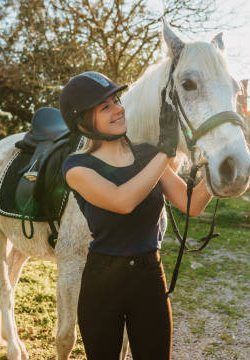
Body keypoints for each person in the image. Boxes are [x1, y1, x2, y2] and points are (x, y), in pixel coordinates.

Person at [60, 71, 213, 359]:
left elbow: (191, 204)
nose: (119, 109)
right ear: (83, 121)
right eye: (106, 107)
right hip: (102, 284)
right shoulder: (77, 166)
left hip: (149, 277)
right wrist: (164, 154)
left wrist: (220, 174)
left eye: (117, 100)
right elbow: (123, 201)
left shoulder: (147, 155)